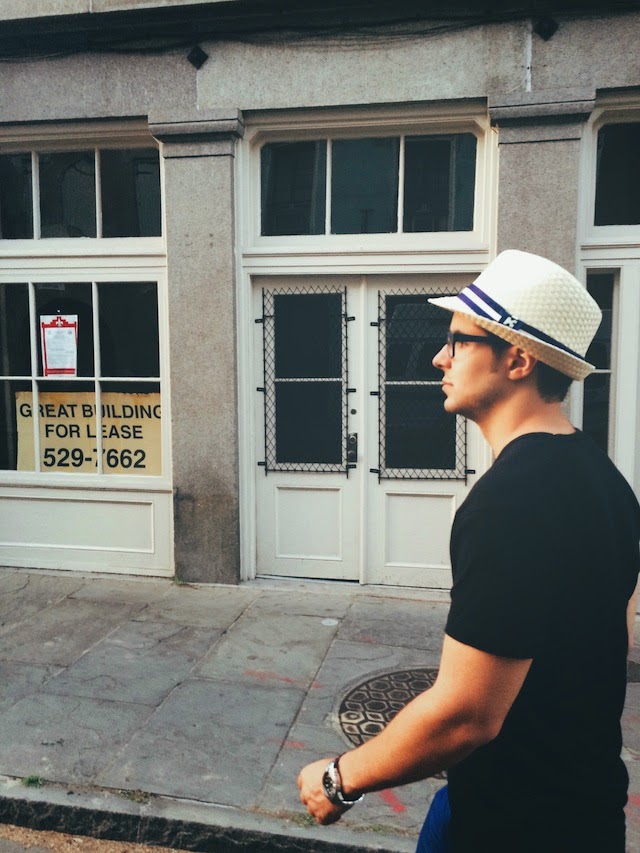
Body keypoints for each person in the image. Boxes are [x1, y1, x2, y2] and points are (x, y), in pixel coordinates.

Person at [297, 249, 640, 852]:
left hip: (513, 825)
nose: (440, 357)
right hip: (579, 806)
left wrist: (340, 779)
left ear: (517, 359)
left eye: (458, 340)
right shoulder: (603, 477)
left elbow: (467, 715)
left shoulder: (510, 502)